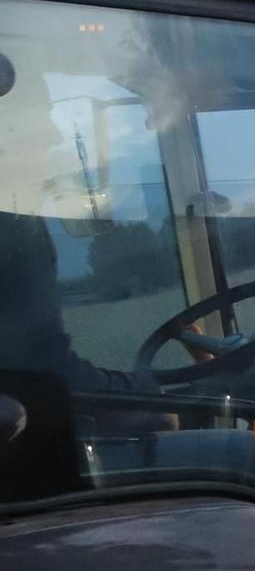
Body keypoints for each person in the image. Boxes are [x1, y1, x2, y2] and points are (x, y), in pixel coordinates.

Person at [0, 56, 150, 392]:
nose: (53, 135)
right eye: (41, 115)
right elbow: (43, 371)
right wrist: (149, 401)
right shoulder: (12, 230)